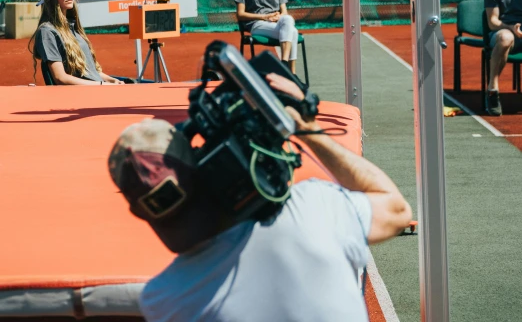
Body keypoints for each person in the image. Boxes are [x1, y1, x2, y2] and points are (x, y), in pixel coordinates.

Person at [108, 75, 412, 322]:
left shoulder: (163, 300)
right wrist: (307, 129)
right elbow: (396, 210)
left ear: (140, 212)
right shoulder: (312, 208)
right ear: (202, 169)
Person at [29, 0, 124, 85]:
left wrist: (111, 80)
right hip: (81, 96)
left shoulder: (73, 28)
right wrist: (102, 85)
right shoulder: (47, 31)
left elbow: (89, 72)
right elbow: (60, 78)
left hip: (95, 90)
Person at [484, 0, 522, 116]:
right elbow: (492, 22)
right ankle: (493, 90)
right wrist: (512, 28)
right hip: (502, 31)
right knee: (505, 38)